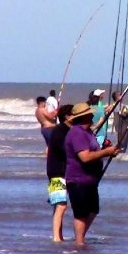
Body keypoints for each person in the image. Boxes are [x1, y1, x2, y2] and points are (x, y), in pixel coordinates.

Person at [64, 102, 120, 245]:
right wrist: (106, 152)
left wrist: (106, 150)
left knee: (93, 210)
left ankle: (80, 237)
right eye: (90, 114)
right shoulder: (77, 132)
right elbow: (85, 157)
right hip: (78, 180)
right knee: (81, 214)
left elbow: (93, 151)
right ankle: (79, 242)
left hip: (90, 180)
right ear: (84, 116)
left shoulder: (87, 132)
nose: (93, 115)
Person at [46, 104, 73, 242]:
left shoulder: (67, 130)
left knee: (59, 205)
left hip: (61, 171)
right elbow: (66, 150)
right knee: (61, 205)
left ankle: (59, 234)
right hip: (57, 172)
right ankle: (56, 237)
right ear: (68, 117)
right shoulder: (60, 131)